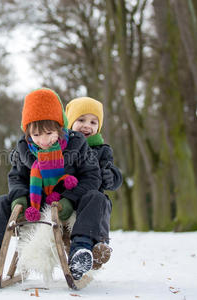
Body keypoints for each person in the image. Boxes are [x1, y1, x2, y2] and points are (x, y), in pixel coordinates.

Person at [0, 88, 110, 288]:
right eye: (36, 135)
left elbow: (92, 176)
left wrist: (69, 200)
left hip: (69, 200)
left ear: (60, 128)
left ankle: (81, 250)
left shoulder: (77, 145)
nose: (43, 141)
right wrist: (19, 197)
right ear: (27, 132)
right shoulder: (23, 149)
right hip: (35, 202)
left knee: (96, 198)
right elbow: (16, 177)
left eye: (49, 133)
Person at [65, 96, 123, 269]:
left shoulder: (102, 150)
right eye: (81, 120)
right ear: (69, 123)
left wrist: (110, 176)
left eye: (93, 122)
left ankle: (82, 249)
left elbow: (112, 173)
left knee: (99, 199)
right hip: (66, 198)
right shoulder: (63, 147)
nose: (87, 125)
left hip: (89, 201)